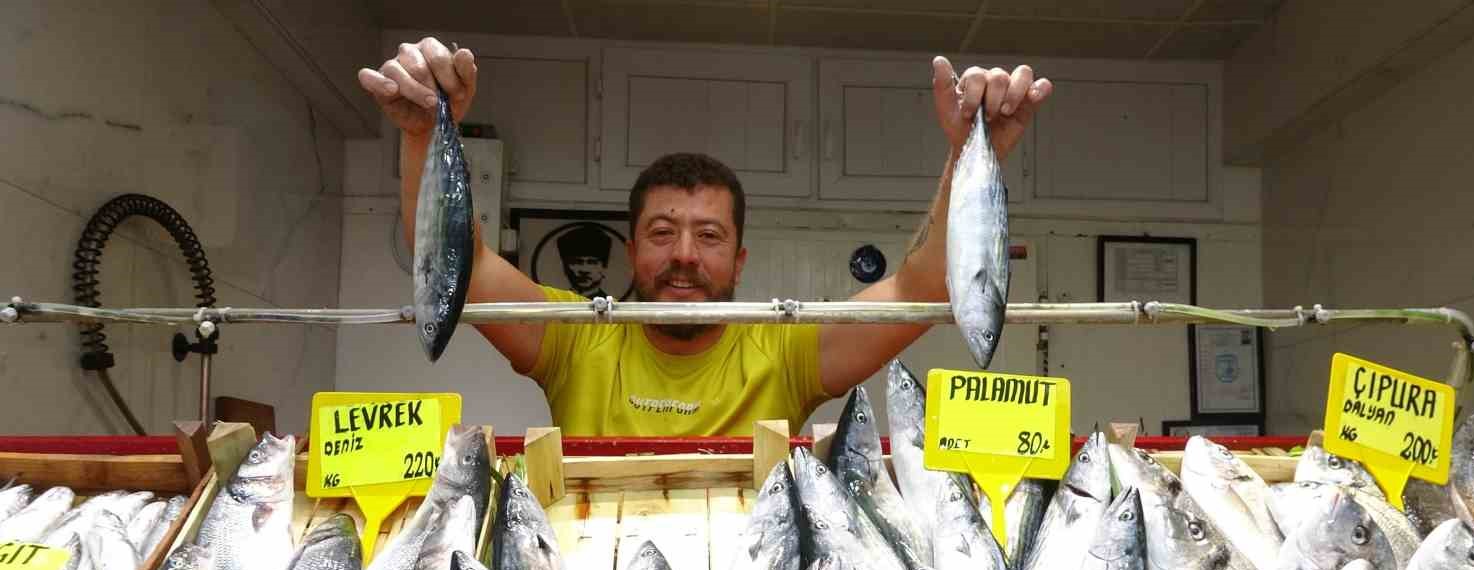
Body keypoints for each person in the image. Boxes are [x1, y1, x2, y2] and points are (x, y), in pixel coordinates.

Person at [360, 37, 1052, 436]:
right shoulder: (574, 337)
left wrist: (971, 153)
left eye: (709, 236)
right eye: (662, 233)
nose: (685, 255)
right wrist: (423, 134)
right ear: (632, 251)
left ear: (740, 258)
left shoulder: (784, 348)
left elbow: (921, 288)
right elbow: (458, 262)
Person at [553, 223, 615, 299]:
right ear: (565, 266)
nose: (584, 270)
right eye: (577, 262)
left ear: (604, 267)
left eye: (592, 262)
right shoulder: (556, 301)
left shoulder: (612, 304)